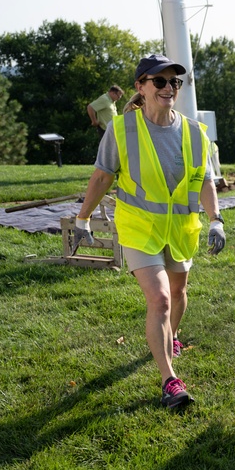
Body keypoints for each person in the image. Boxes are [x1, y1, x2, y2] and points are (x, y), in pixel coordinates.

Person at [72, 54, 226, 410]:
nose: (169, 88)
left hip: (180, 229)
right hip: (140, 228)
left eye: (175, 82)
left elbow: (203, 179)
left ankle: (170, 338)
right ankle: (169, 381)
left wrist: (216, 218)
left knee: (178, 290)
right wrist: (82, 218)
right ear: (141, 87)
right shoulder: (122, 129)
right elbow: (102, 176)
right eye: (160, 81)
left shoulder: (193, 132)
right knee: (160, 299)